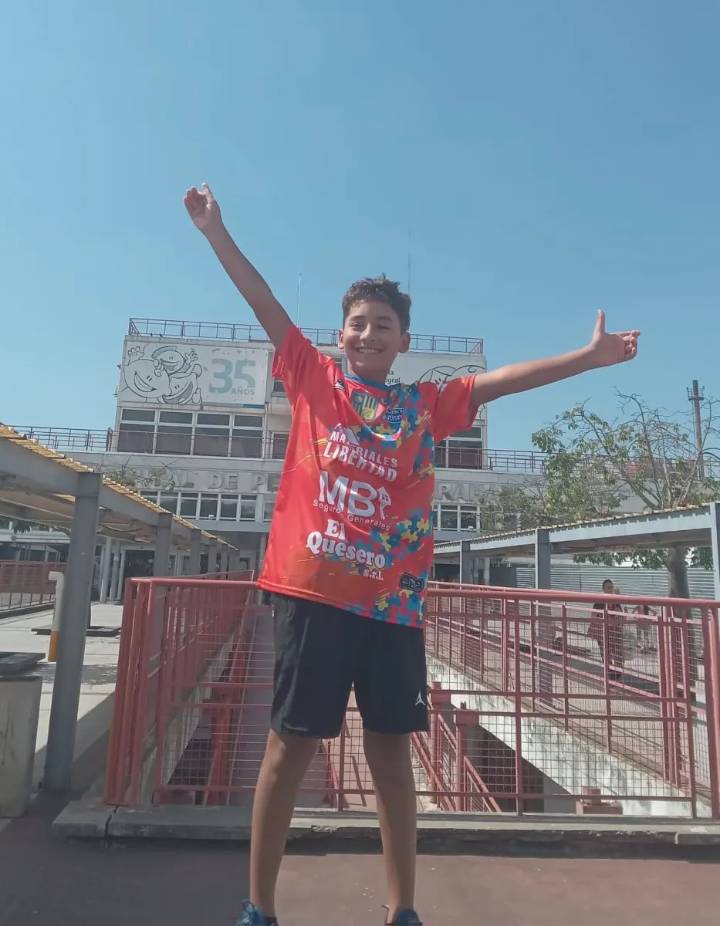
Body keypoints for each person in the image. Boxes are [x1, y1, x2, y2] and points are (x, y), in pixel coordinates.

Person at [184, 182, 641, 926]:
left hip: (392, 606)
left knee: (392, 757)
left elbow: (501, 382)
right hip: (310, 596)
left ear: (403, 341)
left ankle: (402, 910)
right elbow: (263, 300)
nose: (368, 334)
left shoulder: (422, 408)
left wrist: (587, 359)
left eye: (383, 325)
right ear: (341, 334)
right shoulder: (311, 376)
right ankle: (259, 908)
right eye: (358, 323)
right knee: (287, 752)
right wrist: (215, 231)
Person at [589, 579, 625, 675]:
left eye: (611, 587)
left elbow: (621, 615)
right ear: (603, 589)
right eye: (608, 587)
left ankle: (618, 674)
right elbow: (594, 617)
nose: (610, 589)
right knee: (606, 654)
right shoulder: (599, 602)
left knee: (618, 653)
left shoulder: (616, 601)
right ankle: (609, 674)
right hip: (603, 632)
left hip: (615, 631)